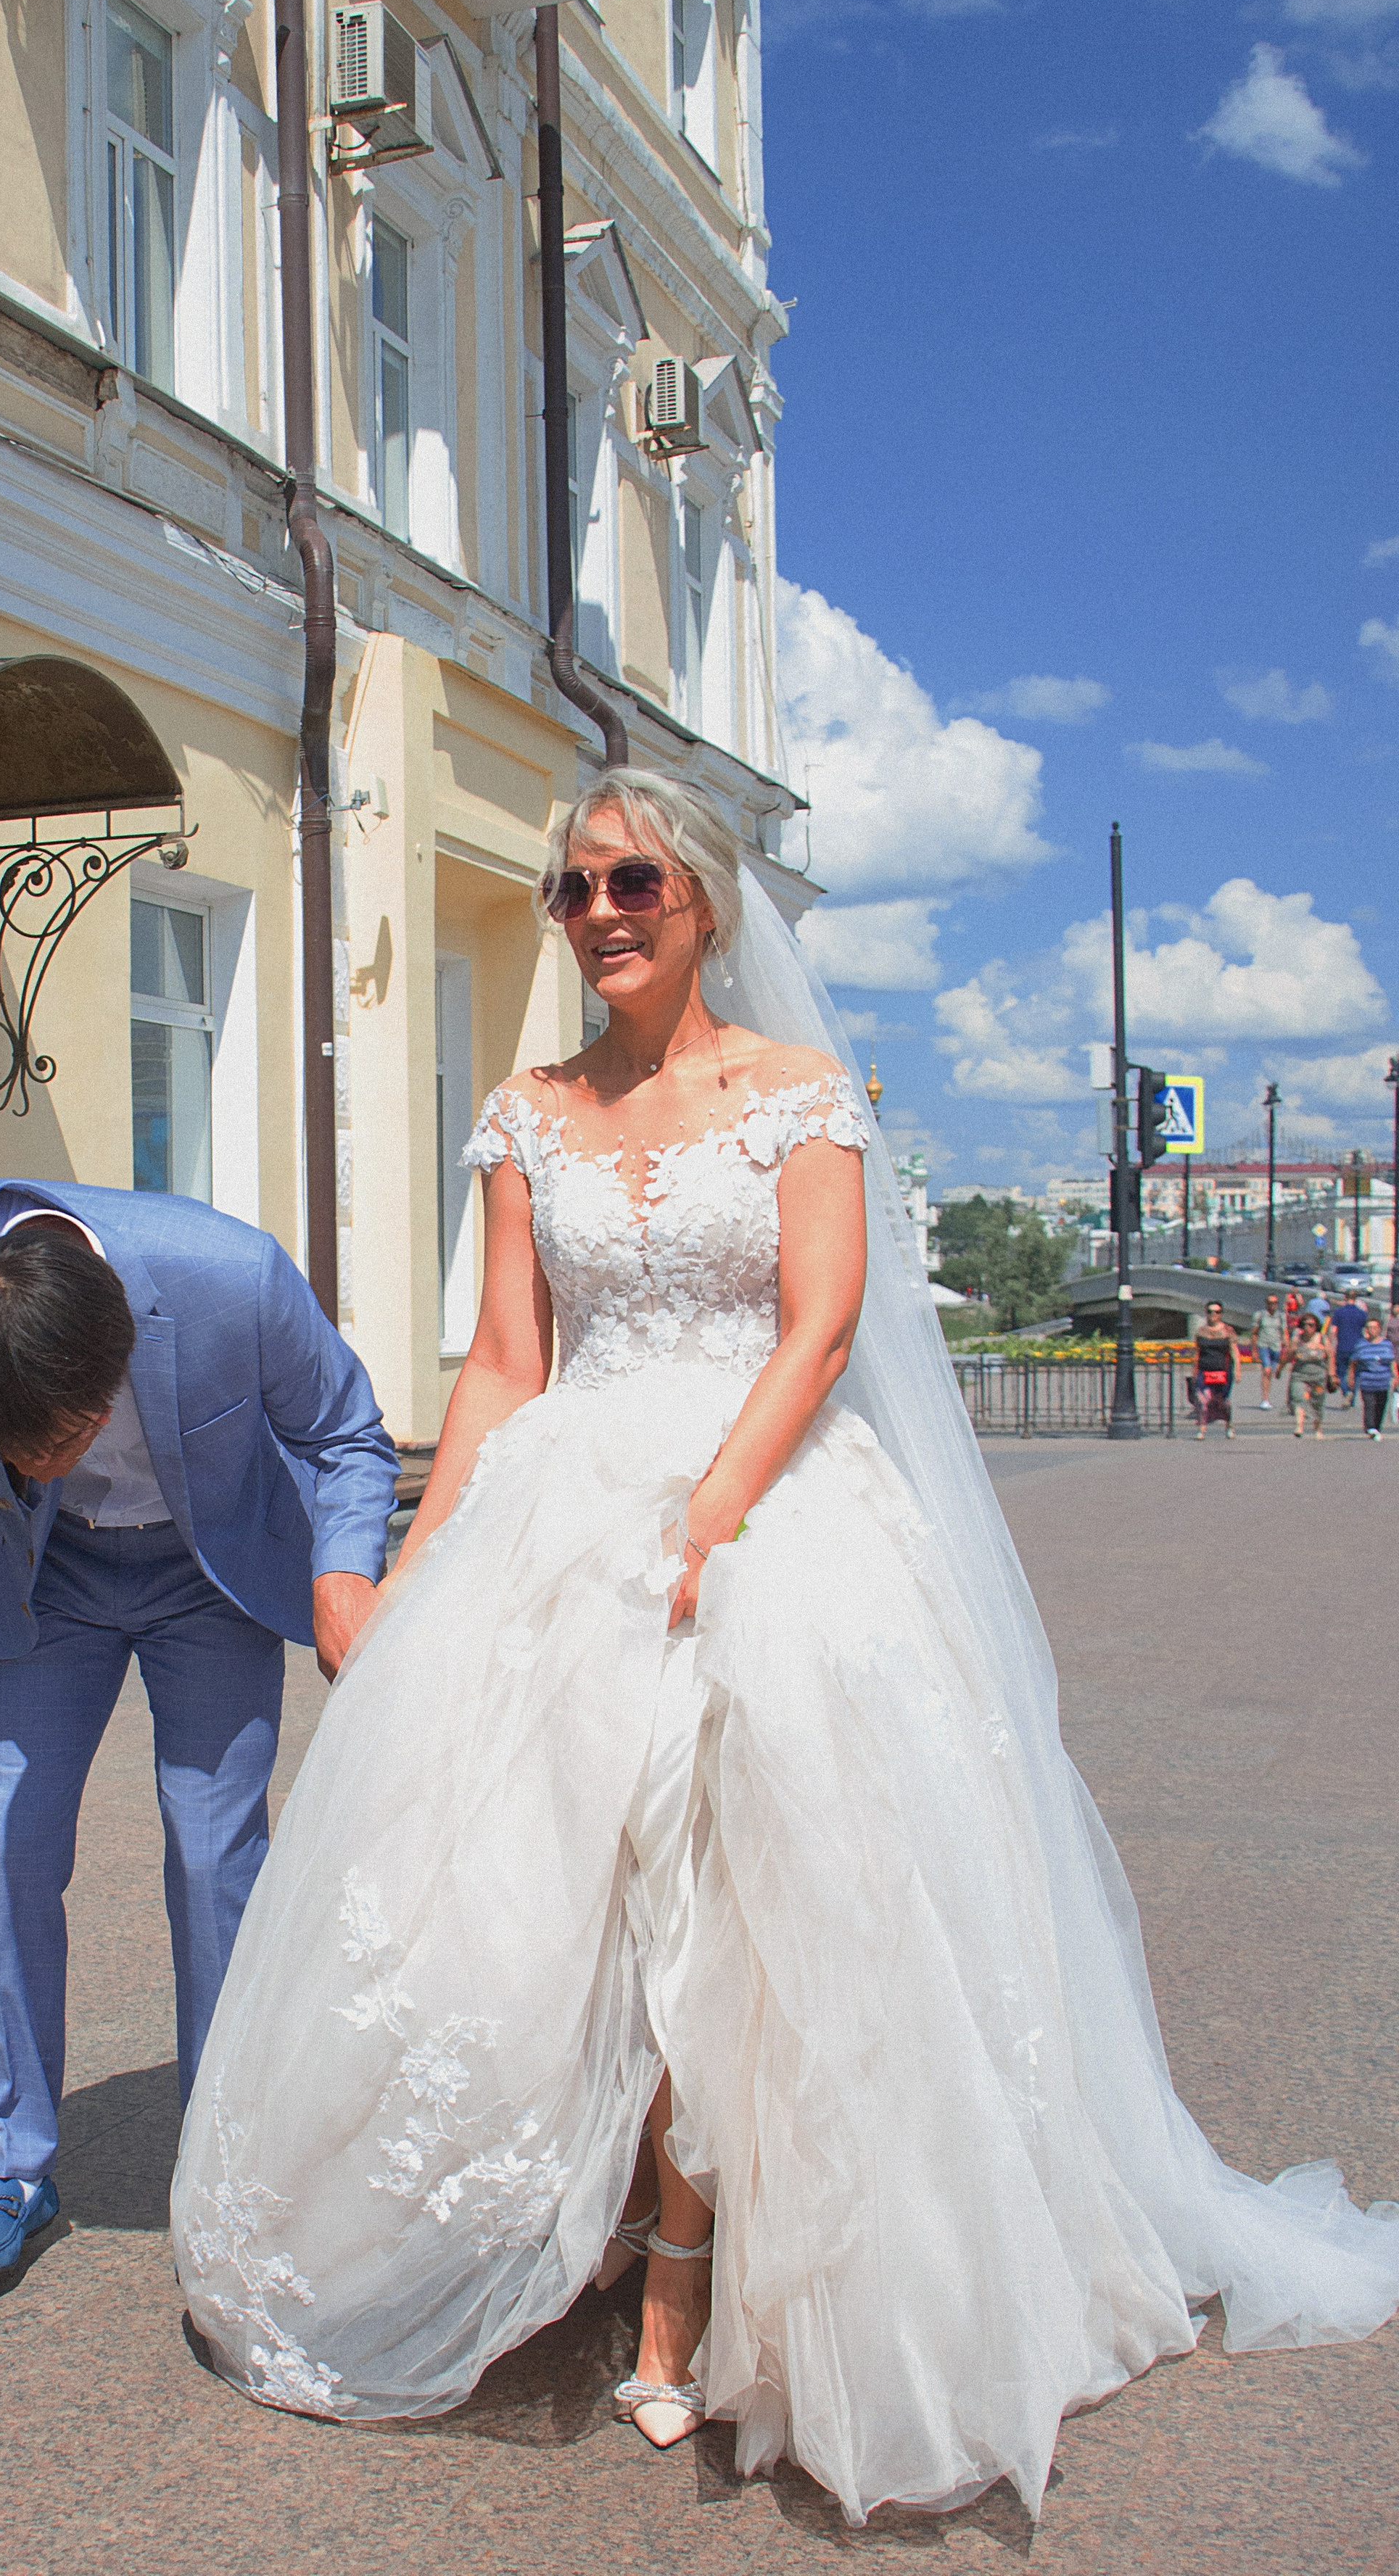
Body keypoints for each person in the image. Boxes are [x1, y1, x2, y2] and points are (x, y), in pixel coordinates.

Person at [170, 771, 1399, 2527]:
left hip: (767, 1508)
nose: (598, 909)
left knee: (738, 1881)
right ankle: (582, 2208)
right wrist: (409, 1565)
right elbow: (504, 1364)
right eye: (571, 887)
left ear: (703, 904)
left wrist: (711, 1517)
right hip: (561, 1507)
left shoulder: (799, 1097)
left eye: (631, 880)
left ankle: (686, 2260)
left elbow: (818, 1325)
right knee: (546, 1883)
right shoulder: (523, 1113)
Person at [0, 1182, 399, 2280]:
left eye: (76, 1425)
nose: (68, 1447)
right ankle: (12, 2169)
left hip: (209, 1577)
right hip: (44, 1573)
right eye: (39, 1434)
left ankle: (224, 2160)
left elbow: (347, 1432)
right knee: (9, 1841)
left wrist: (344, 1574)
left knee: (214, 1856)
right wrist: (15, 1462)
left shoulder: (232, 1279)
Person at [1192, 1301, 1240, 1439]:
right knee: (1202, 1400)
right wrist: (1194, 1371)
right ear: (1206, 1313)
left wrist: (1237, 1370)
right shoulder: (1201, 1331)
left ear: (1221, 1314)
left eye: (1217, 1312)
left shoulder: (1228, 1331)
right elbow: (1197, 1353)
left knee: (1223, 1402)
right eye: (1211, 1312)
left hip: (1223, 1371)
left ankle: (1229, 1425)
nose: (1214, 1315)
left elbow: (1234, 1352)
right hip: (1204, 1370)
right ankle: (1202, 1429)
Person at [1283, 1312, 1331, 1438]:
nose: (1308, 1328)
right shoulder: (1297, 1340)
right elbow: (1288, 1355)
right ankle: (1299, 1426)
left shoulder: (1323, 1339)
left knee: (1317, 1403)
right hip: (1299, 1376)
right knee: (1299, 1398)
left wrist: (1332, 1374)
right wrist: (1280, 1369)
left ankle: (1318, 1428)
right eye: (1305, 1325)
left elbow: (1331, 1357)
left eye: (1311, 1325)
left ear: (1316, 1326)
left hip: (1318, 1377)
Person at [1349, 1312, 1394, 1441]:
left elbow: (1392, 1362)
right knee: (1369, 1404)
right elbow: (1353, 1362)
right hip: (1367, 1381)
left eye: (1374, 1327)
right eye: (1369, 1328)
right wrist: (1351, 1377)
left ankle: (1376, 1428)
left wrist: (1396, 1377)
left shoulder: (1386, 1344)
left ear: (1379, 1329)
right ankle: (1370, 1427)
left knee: (1381, 1406)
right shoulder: (1361, 1345)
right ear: (1366, 1330)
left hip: (1383, 1381)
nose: (1372, 1330)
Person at [1325, 1291, 1368, 1401]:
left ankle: (1346, 1392)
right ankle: (1352, 1397)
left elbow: (1333, 1331)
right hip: (1358, 1348)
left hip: (1343, 1346)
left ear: (1345, 1298)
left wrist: (1330, 1345)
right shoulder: (1362, 1313)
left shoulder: (1339, 1312)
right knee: (1356, 1373)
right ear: (1356, 1299)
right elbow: (1366, 1332)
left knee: (1341, 1372)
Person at [1250, 1300, 1284, 1412]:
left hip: (1276, 1347)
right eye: (1270, 1303)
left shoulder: (1281, 1316)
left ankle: (1267, 1398)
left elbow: (1284, 1332)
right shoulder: (1260, 1315)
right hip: (1263, 1345)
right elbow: (1254, 1333)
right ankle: (1265, 1400)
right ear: (1266, 1304)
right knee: (1267, 1371)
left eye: (1275, 1303)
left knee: (1271, 1373)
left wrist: (1287, 1347)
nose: (1272, 1305)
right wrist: (1254, 1350)